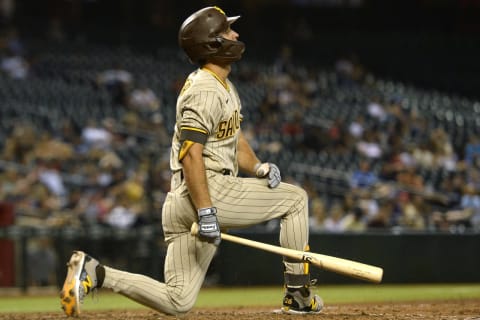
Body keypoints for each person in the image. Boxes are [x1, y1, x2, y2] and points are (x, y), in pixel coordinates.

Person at [60, 6, 322, 317]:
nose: (236, 35)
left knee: (178, 300)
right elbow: (191, 154)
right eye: (227, 31)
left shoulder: (219, 85)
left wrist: (259, 167)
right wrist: (207, 209)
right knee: (295, 200)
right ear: (212, 43)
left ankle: (95, 272)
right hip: (208, 189)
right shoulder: (205, 89)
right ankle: (298, 293)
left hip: (184, 200)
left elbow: (234, 141)